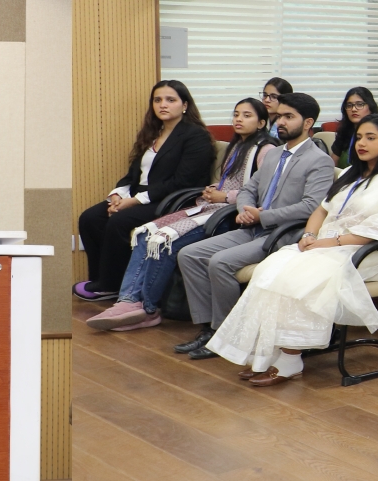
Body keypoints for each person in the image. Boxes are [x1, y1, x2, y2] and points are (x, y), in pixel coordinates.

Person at [204, 114, 378, 385]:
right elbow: (321, 209)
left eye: (371, 138)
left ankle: (291, 358)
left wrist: (327, 243)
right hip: (325, 248)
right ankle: (266, 353)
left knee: (300, 276)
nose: (361, 144)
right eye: (359, 137)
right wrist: (309, 235)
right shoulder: (352, 176)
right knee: (270, 270)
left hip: (366, 255)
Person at [86, 98, 280, 330]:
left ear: (261, 123)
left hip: (230, 216)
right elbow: (227, 182)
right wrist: (213, 191)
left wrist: (225, 197)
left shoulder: (266, 150)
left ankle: (148, 308)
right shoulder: (238, 145)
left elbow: (264, 193)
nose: (238, 119)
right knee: (145, 234)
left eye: (247, 115)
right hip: (210, 206)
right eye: (236, 114)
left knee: (164, 241)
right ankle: (128, 301)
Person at [173, 93, 335, 360]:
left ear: (308, 123)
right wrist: (245, 210)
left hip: (283, 234)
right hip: (254, 226)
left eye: (288, 117)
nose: (280, 121)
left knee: (220, 262)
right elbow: (248, 189)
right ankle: (209, 329)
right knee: (189, 254)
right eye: (279, 116)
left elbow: (311, 207)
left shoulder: (319, 160)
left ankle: (229, 335)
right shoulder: (274, 155)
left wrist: (264, 216)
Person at [74, 80, 214, 301]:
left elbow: (182, 181)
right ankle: (102, 279)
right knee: (90, 218)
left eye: (170, 100)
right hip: (140, 195)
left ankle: (112, 284)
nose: (163, 105)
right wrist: (118, 195)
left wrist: (136, 201)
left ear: (184, 105)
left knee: (119, 222)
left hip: (171, 200)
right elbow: (133, 174)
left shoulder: (195, 136)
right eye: (157, 100)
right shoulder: (152, 133)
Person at [332, 87, 378, 166]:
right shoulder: (344, 131)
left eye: (360, 104)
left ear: (370, 106)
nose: (354, 109)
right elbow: (332, 164)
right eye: (349, 105)